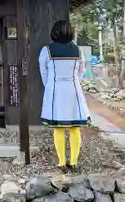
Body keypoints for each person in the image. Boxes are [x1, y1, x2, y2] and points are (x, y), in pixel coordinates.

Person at [38, 20, 90, 172]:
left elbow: (44, 72)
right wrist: (75, 81)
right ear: (70, 32)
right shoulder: (78, 50)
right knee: (75, 128)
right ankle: (73, 162)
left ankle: (61, 162)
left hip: (55, 90)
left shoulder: (46, 50)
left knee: (58, 129)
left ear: (54, 33)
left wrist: (50, 87)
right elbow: (82, 70)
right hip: (74, 89)